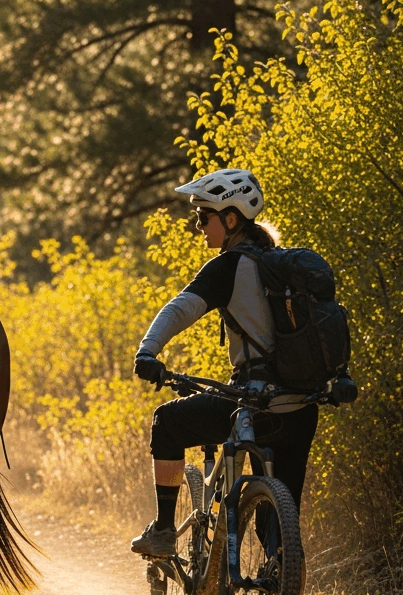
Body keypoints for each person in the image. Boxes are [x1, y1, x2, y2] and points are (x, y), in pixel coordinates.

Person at [129, 168, 320, 557]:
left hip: (253, 405)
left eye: (204, 217)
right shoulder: (289, 265)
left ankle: (164, 531)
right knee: (281, 527)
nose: (199, 226)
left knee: (166, 422)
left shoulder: (230, 265)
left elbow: (180, 309)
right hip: (302, 407)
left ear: (231, 219)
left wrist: (148, 351)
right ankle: (282, 570)